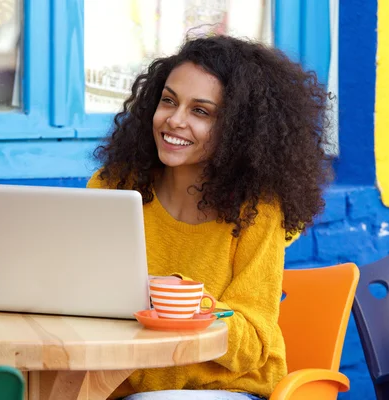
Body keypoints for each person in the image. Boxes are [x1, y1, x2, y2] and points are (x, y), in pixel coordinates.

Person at [87, 35, 332, 400]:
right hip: (118, 386)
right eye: (168, 101)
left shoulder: (258, 209)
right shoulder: (114, 186)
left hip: (227, 389)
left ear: (239, 129)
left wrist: (176, 298)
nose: (174, 120)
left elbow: (253, 343)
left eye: (200, 111)